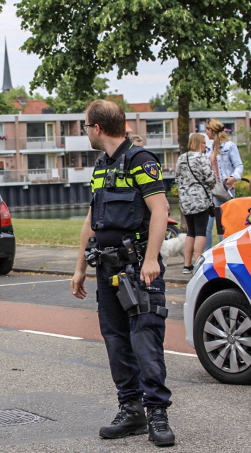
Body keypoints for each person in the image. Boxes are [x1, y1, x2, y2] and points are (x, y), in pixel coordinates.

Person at [71, 99, 175, 447]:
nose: (85, 132)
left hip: (138, 269)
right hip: (107, 268)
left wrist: (151, 259)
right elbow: (92, 220)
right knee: (116, 341)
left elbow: (159, 210)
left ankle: (156, 413)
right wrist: (80, 268)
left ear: (98, 128)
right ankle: (130, 411)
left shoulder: (140, 161)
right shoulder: (101, 166)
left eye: (86, 126)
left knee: (145, 339)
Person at [174, 134, 215, 274]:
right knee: (201, 231)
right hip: (200, 200)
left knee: (191, 231)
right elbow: (211, 179)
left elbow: (177, 179)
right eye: (203, 143)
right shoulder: (202, 158)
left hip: (185, 201)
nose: (205, 145)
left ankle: (187, 265)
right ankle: (198, 263)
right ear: (198, 143)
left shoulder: (181, 158)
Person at [204, 118, 243, 249]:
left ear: (211, 130)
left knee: (224, 225)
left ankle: (225, 251)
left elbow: (239, 166)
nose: (206, 133)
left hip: (225, 190)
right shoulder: (209, 149)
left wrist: (233, 177)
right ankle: (207, 253)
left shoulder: (229, 146)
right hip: (211, 190)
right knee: (207, 226)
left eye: (206, 130)